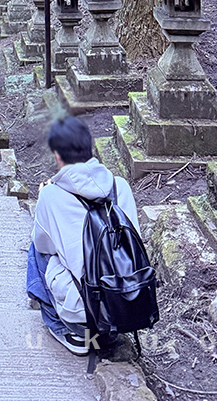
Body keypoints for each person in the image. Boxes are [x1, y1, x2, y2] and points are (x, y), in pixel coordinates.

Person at [27, 115, 141, 355]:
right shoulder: (120, 186)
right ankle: (109, 333)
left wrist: (43, 203)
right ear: (89, 149)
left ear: (58, 155)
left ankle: (68, 331)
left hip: (83, 309)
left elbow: (43, 245)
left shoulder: (51, 196)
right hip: (127, 302)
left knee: (36, 249)